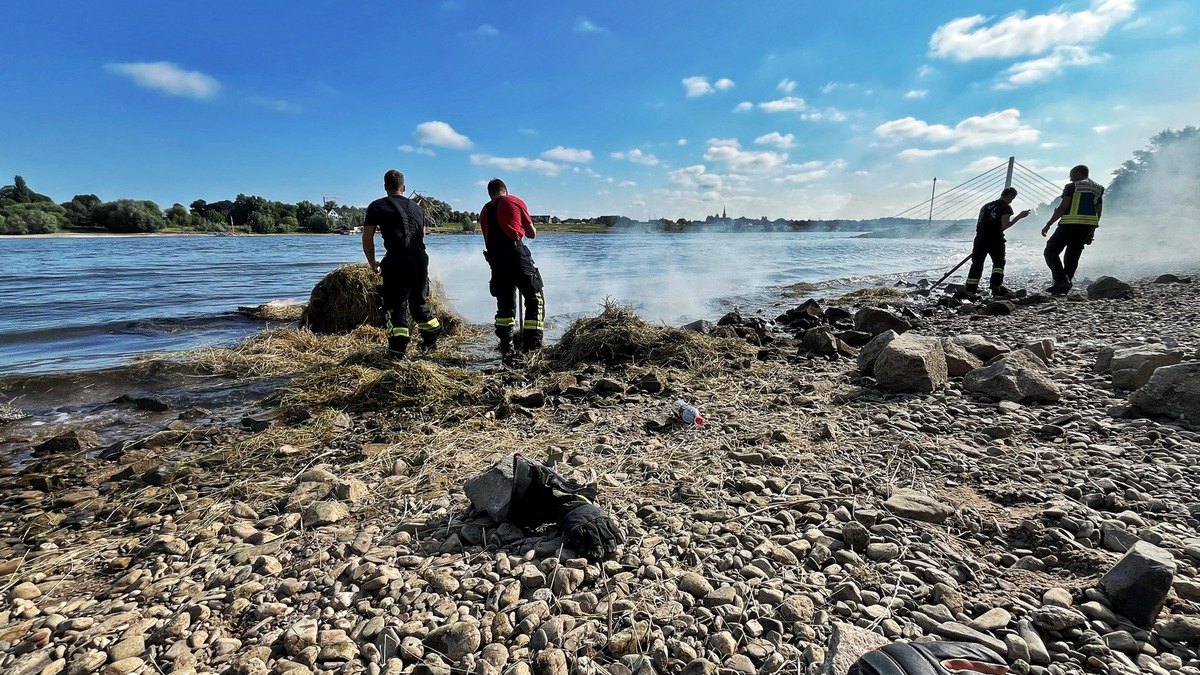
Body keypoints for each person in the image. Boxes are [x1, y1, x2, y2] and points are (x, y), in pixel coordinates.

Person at [362, 169, 441, 358]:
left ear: (385, 187)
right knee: (419, 303)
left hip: (397, 260)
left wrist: (373, 263)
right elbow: (421, 234)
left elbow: (367, 238)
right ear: (403, 188)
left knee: (395, 306)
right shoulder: (418, 208)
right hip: (420, 260)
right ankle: (432, 336)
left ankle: (397, 351)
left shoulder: (376, 206)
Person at [479, 178, 545, 352]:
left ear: (490, 194)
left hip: (495, 259)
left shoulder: (484, 210)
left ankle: (505, 346)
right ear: (505, 190)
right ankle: (532, 347)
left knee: (505, 303)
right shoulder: (514, 201)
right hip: (515, 255)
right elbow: (532, 234)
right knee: (534, 297)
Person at [1041, 164, 1104, 295]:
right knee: (1073, 255)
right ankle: (1064, 285)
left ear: (1078, 173)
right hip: (1086, 227)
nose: (1070, 179)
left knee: (1050, 251)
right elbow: (1098, 211)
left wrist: (1049, 223)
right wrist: (1092, 230)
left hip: (1070, 223)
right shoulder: (1099, 188)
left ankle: (1061, 279)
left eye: (1071, 175)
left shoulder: (1072, 187)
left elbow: (1063, 207)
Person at [962, 186, 1029, 299]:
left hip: (980, 239)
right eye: (1012, 199)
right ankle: (995, 287)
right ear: (1010, 196)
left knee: (977, 264)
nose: (1011, 201)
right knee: (999, 263)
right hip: (995, 239)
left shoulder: (986, 206)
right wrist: (1019, 216)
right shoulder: (1005, 207)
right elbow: (1005, 225)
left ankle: (970, 290)